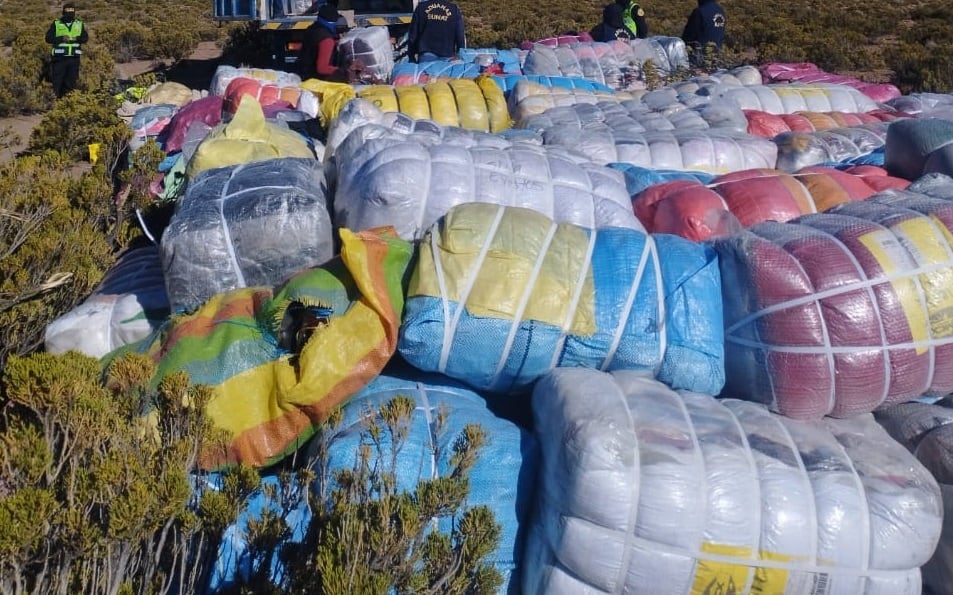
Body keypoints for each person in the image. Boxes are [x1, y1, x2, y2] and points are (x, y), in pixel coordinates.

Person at [45, 3, 88, 98]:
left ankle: (67, 103)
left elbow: (85, 38)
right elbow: (48, 38)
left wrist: (76, 38)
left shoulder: (79, 24)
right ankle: (55, 102)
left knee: (70, 82)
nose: (69, 17)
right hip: (59, 59)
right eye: (67, 15)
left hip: (74, 58)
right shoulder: (56, 23)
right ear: (63, 13)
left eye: (71, 15)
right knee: (57, 82)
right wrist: (61, 38)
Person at [298, 4, 347, 82]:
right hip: (317, 80)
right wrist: (344, 72)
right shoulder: (327, 40)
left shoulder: (312, 29)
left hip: (304, 75)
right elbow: (322, 68)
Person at [681, 0, 727, 66]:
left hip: (698, 58)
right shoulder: (720, 11)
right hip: (716, 56)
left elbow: (689, 36)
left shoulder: (699, 12)